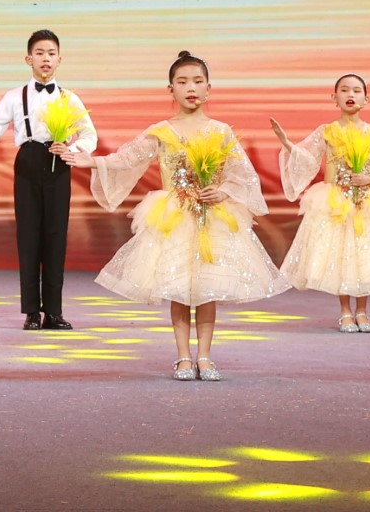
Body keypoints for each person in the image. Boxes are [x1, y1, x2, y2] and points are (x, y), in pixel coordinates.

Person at [63, 51, 289, 381]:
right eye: (182, 82)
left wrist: (223, 191)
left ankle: (205, 356)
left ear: (209, 88)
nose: (190, 88)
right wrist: (93, 162)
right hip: (173, 218)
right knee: (178, 289)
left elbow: (243, 175)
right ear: (171, 90)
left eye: (197, 81)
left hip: (212, 219)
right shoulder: (161, 131)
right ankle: (183, 356)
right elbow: (128, 158)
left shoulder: (221, 131)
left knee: (208, 291)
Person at [0, 29, 96, 329]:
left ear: (60, 59)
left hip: (58, 166)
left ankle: (54, 312)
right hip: (27, 163)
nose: (46, 58)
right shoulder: (14, 97)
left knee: (55, 237)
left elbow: (89, 135)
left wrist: (72, 150)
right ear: (29, 59)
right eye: (40, 53)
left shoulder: (70, 98)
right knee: (29, 237)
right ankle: (31, 313)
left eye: (51, 53)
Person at [270, 74, 370, 332]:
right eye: (345, 90)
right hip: (335, 201)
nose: (351, 95)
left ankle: (362, 311)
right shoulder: (326, 131)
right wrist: (287, 144)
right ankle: (345, 312)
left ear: (366, 98)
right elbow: (308, 159)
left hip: (366, 202)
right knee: (340, 256)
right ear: (334, 98)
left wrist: (369, 178)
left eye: (357, 90)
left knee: (364, 255)